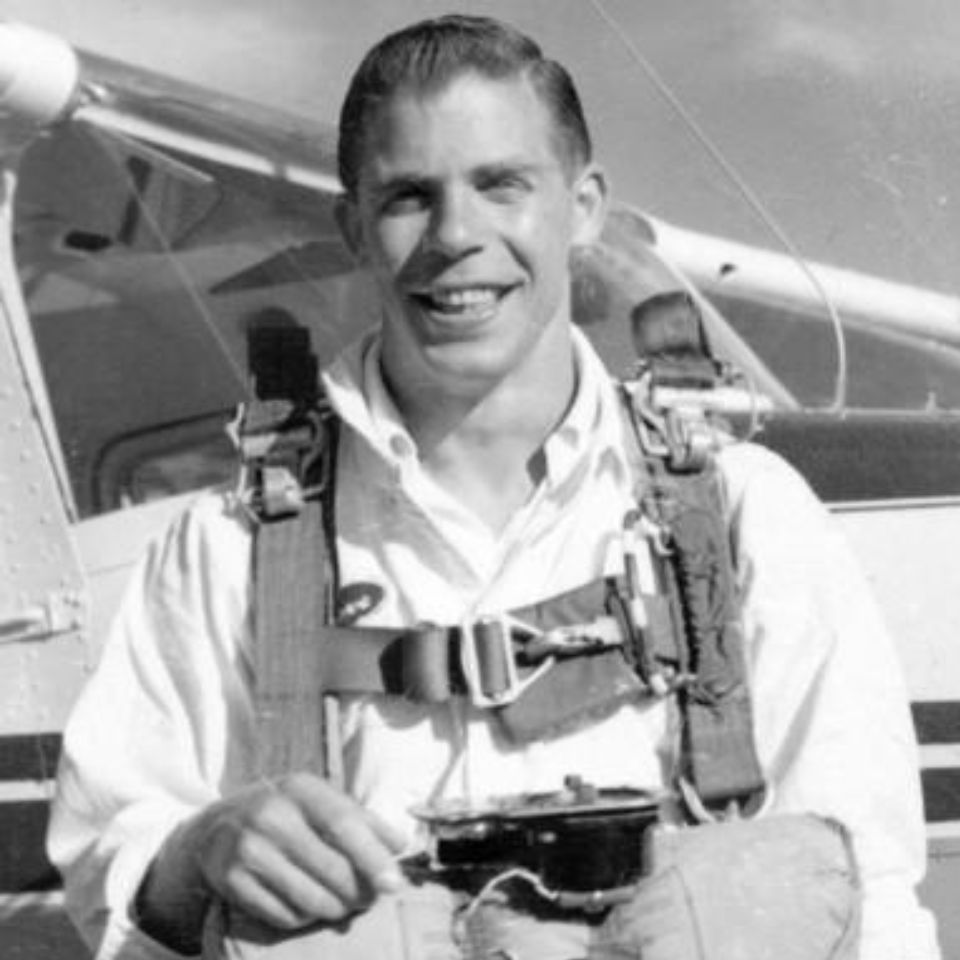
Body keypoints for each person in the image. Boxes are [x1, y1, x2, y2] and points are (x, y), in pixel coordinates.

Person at [48, 14, 940, 960]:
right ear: (353, 226)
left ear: (585, 205)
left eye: (501, 184)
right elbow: (112, 867)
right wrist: (198, 851)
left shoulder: (749, 512)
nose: (457, 235)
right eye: (407, 197)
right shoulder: (227, 545)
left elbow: (873, 899)